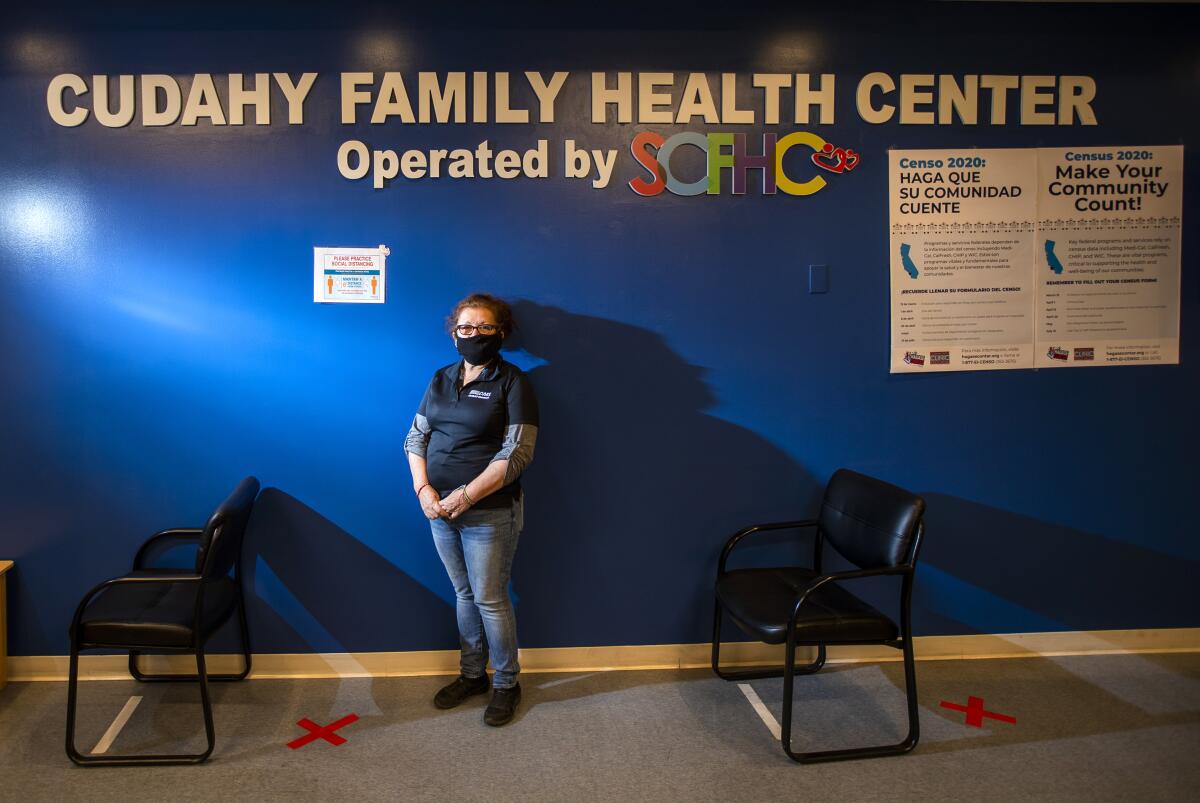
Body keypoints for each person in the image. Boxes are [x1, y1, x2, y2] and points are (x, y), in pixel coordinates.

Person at [404, 293, 539, 726]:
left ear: (500, 332)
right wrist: (424, 489)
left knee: (490, 599)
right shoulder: (441, 378)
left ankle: (505, 684)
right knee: (463, 595)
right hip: (438, 511)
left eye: (484, 328)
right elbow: (415, 438)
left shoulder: (514, 382)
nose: (474, 335)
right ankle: (471, 674)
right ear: (454, 332)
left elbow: (516, 454)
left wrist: (464, 497)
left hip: (489, 512)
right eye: (466, 327)